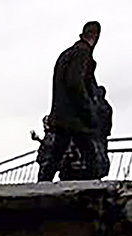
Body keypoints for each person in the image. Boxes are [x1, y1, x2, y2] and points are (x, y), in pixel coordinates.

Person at [38, 21, 102, 182]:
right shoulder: (82, 53)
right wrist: (88, 108)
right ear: (96, 36)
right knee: (90, 155)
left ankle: (43, 184)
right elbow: (75, 83)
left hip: (63, 115)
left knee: (57, 153)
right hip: (75, 117)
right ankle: (96, 188)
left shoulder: (68, 53)